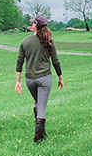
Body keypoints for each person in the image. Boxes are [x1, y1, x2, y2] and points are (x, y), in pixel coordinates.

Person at [15, 15, 63, 143]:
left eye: (33, 23)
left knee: (37, 102)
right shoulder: (49, 41)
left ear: (35, 25)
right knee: (41, 106)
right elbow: (55, 61)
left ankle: (42, 132)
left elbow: (19, 61)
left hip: (29, 79)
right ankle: (38, 137)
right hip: (44, 78)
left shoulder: (25, 41)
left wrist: (18, 81)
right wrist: (60, 77)